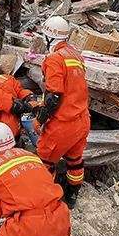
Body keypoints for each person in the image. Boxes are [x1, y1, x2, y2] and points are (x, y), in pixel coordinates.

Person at [36, 16, 89, 208]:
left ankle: (45, 199)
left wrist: (40, 120)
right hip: (82, 120)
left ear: (49, 37)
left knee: (45, 161)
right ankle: (72, 196)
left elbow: (54, 97)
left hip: (63, 124)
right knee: (75, 161)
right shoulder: (75, 55)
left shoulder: (54, 59)